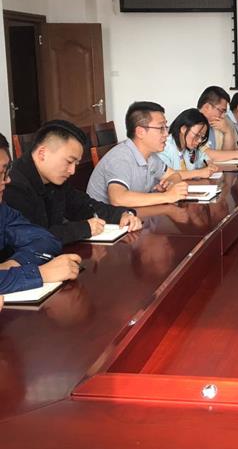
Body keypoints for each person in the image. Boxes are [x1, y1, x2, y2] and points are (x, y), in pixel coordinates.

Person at [4, 120, 143, 245]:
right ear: (42, 153)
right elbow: (31, 236)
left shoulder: (55, 179)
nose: (72, 171)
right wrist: (83, 228)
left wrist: (122, 214)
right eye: (69, 161)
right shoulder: (12, 185)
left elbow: (84, 206)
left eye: (76, 164)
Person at [0, 133, 81, 310]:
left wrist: (10, 266)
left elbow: (46, 240)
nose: (7, 180)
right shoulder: (19, 186)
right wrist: (40, 273)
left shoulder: (3, 211)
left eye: (5, 172)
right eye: (0, 174)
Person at [87, 101, 200, 207]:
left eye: (166, 127)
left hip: (130, 216)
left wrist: (170, 184)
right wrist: (167, 196)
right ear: (140, 132)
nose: (166, 134)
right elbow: (118, 199)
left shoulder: (151, 157)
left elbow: (174, 175)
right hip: (102, 219)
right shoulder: (120, 157)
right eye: (161, 128)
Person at [158, 109, 218, 176]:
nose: (199, 140)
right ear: (183, 129)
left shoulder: (189, 147)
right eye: (197, 135)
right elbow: (166, 175)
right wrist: (198, 173)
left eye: (202, 137)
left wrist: (209, 163)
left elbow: (203, 157)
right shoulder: (164, 147)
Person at [196, 86, 238, 162]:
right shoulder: (192, 122)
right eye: (221, 111)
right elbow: (204, 154)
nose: (223, 116)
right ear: (207, 107)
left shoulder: (216, 124)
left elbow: (226, 155)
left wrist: (227, 131)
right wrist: (235, 154)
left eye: (225, 112)